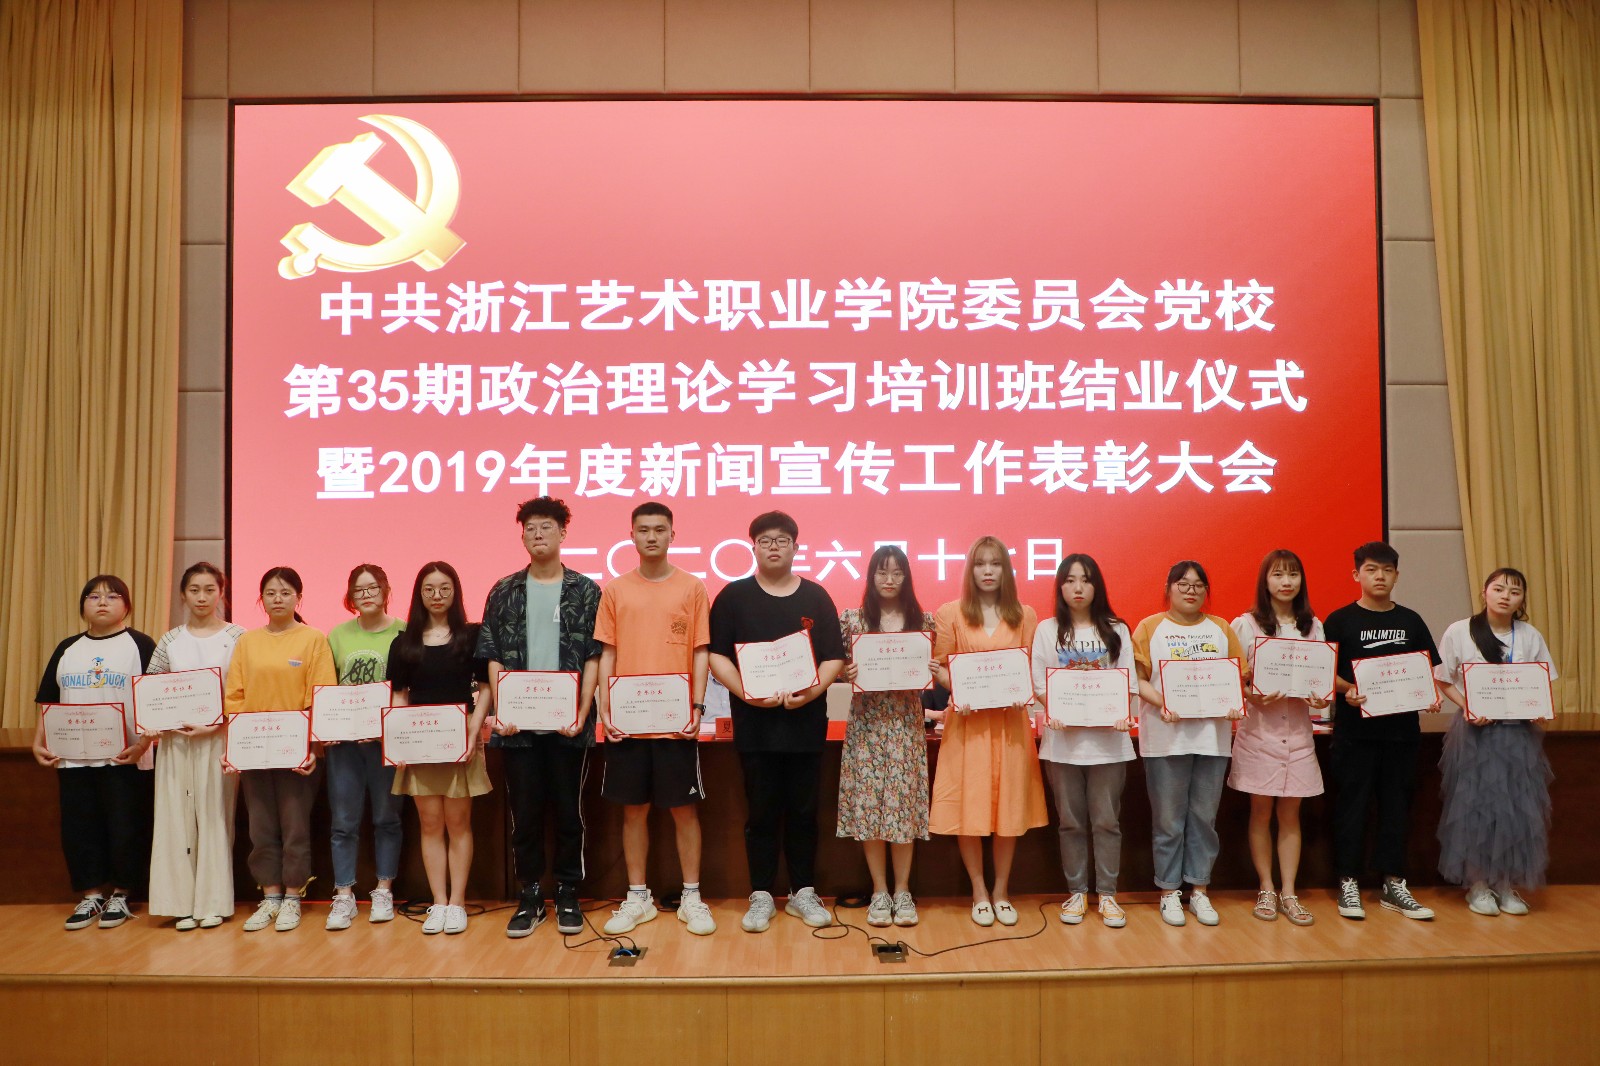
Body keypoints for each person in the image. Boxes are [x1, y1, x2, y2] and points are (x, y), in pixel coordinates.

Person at [709, 511, 846, 933]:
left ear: (795, 547)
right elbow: (716, 657)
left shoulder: (816, 597)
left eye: (782, 540)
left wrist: (811, 692)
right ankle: (762, 894)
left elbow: (833, 658)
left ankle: (803, 891)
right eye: (765, 540)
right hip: (756, 726)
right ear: (753, 546)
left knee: (805, 811)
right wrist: (747, 693)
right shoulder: (733, 597)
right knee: (761, 812)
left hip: (805, 724)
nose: (773, 546)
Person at [480, 496, 601, 938]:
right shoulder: (504, 590)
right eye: (529, 528)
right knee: (525, 814)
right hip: (518, 729)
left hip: (569, 726)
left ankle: (568, 892)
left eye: (546, 526)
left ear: (563, 533)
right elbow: (492, 654)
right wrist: (502, 709)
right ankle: (529, 895)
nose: (537, 534)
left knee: (569, 812)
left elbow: (594, 656)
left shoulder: (585, 590)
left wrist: (582, 712)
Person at [596, 501, 715, 936]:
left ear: (672, 535)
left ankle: (692, 896)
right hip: (628, 723)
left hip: (675, 721)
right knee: (634, 812)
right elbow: (607, 652)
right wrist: (606, 707)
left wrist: (697, 706)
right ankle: (638, 897)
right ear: (632, 535)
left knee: (684, 810)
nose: (651, 536)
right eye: (644, 529)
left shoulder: (692, 587)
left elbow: (700, 650)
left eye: (659, 529)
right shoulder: (615, 590)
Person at [929, 536, 1047, 928]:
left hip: (1010, 724)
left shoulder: (1024, 614)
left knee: (1007, 807)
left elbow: (1028, 669)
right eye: (980, 564)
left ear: (1006, 570)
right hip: (968, 723)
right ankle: (979, 891)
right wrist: (959, 690)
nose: (988, 571)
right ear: (970, 569)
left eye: (995, 564)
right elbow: (941, 668)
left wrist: (1020, 692)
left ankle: (1001, 891)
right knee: (970, 806)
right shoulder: (951, 613)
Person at [1324, 541, 1442, 921]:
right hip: (1355, 733)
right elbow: (1324, 672)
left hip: (1401, 734)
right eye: (1372, 569)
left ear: (1396, 576)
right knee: (1352, 808)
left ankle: (1394, 882)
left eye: (1387, 570)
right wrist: (1349, 689)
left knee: (1396, 808)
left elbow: (1426, 670)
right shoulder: (1339, 620)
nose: (1380, 576)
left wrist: (1430, 695)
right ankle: (1348, 881)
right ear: (1356, 574)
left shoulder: (1412, 620)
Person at [33, 575, 157, 930]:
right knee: (79, 826)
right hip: (73, 757)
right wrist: (39, 740)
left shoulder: (140, 645)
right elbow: (49, 700)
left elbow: (156, 699)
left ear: (126, 606)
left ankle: (122, 893)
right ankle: (91, 895)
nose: (102, 602)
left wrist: (143, 744)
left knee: (125, 825)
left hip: (125, 756)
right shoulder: (67, 648)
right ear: (83, 606)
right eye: (93, 596)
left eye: (112, 596)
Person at [1434, 567, 1556, 916]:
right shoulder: (1460, 631)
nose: (1506, 596)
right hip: (1475, 734)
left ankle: (1505, 884)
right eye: (1499, 588)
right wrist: (1467, 706)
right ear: (1484, 592)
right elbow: (1442, 678)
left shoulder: (1529, 635)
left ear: (1522, 600)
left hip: (1518, 734)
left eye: (1514, 591)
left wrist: (1539, 708)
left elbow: (1542, 680)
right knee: (1475, 808)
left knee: (1515, 808)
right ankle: (1478, 885)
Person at [1131, 561, 1247, 928]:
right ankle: (1169, 891)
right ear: (1168, 588)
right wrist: (1163, 702)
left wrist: (1235, 701)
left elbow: (1236, 677)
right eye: (1183, 584)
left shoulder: (1221, 629)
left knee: (1203, 819)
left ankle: (1199, 889)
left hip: (1212, 739)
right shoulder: (1150, 627)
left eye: (1198, 585)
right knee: (1168, 820)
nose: (1191, 590)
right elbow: (1137, 679)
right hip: (1165, 739)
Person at [1029, 554, 1137, 930]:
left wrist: (1122, 712)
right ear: (1060, 586)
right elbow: (1039, 682)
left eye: (1086, 580)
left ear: (1097, 586)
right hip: (1062, 744)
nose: (1078, 587)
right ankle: (1076, 892)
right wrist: (1052, 708)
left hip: (1109, 743)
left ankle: (1107, 894)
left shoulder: (1116, 629)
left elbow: (1128, 681)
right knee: (1071, 823)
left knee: (1107, 821)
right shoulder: (1047, 630)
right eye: (1071, 580)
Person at [224, 567, 334, 932]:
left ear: (298, 598)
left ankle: (292, 897)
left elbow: (320, 695)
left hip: (297, 754)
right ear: (261, 599)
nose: (278, 599)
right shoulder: (248, 642)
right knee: (261, 827)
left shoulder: (313, 639)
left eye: (286, 593)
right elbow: (235, 697)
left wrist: (311, 748)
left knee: (295, 827)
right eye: (270, 593)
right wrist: (237, 747)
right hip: (255, 751)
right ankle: (270, 896)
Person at [388, 561, 492, 935]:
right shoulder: (404, 642)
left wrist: (474, 730)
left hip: (460, 741)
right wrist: (398, 740)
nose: (437, 595)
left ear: (455, 592)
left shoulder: (471, 636)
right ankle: (439, 902)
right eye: (429, 589)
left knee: (458, 823)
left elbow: (486, 688)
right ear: (419, 593)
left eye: (444, 588)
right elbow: (399, 695)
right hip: (419, 744)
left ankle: (458, 904)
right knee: (430, 824)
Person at [1229, 549, 1328, 927]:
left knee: (1291, 815)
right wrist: (1251, 695)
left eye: (1293, 575)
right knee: (1261, 812)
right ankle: (1266, 888)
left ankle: (1289, 892)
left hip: (1299, 735)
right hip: (1260, 734)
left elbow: (1320, 679)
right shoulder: (1246, 625)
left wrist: (1320, 697)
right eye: (1278, 575)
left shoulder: (1313, 626)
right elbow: (1233, 680)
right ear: (1265, 581)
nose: (1286, 582)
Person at [837, 545, 935, 928]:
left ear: (906, 577)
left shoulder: (924, 622)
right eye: (882, 572)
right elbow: (835, 667)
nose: (889, 580)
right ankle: (879, 891)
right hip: (867, 725)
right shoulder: (852, 620)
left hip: (905, 725)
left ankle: (903, 890)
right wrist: (845, 672)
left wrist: (932, 667)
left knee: (902, 808)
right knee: (869, 808)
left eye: (897, 572)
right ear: (871, 576)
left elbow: (935, 672)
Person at [146, 563, 246, 931]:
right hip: (175, 743)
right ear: (182, 595)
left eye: (209, 589)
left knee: (215, 817)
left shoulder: (238, 637)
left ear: (221, 593)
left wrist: (215, 726)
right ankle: (179, 903)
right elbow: (151, 690)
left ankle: (213, 902)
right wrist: (151, 725)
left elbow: (245, 691)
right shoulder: (170, 640)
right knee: (174, 819)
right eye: (194, 590)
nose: (202, 597)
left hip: (218, 740)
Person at [323, 564, 405, 931]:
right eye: (359, 589)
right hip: (344, 744)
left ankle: (384, 889)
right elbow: (326, 686)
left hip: (386, 743)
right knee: (343, 822)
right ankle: (344, 894)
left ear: (385, 590)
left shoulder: (404, 631)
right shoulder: (337, 635)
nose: (366, 594)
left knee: (387, 817)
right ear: (350, 596)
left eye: (373, 587)